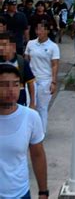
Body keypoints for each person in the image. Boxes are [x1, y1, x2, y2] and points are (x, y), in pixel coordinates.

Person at [0, 64, 48, 199]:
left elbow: (38, 155)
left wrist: (43, 191)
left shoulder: (31, 117)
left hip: (19, 193)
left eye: (15, 84)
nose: (11, 90)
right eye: (4, 84)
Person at [25, 21, 60, 134]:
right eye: (37, 29)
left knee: (42, 107)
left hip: (45, 80)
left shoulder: (53, 47)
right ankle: (30, 130)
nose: (38, 32)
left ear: (47, 31)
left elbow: (55, 65)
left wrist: (53, 82)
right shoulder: (30, 43)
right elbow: (26, 60)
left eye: (41, 29)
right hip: (31, 80)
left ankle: (41, 132)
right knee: (29, 105)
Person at [0, 33, 36, 108]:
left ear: (12, 46)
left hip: (20, 103)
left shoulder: (21, 62)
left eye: (4, 45)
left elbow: (30, 83)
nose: (1, 48)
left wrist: (32, 103)